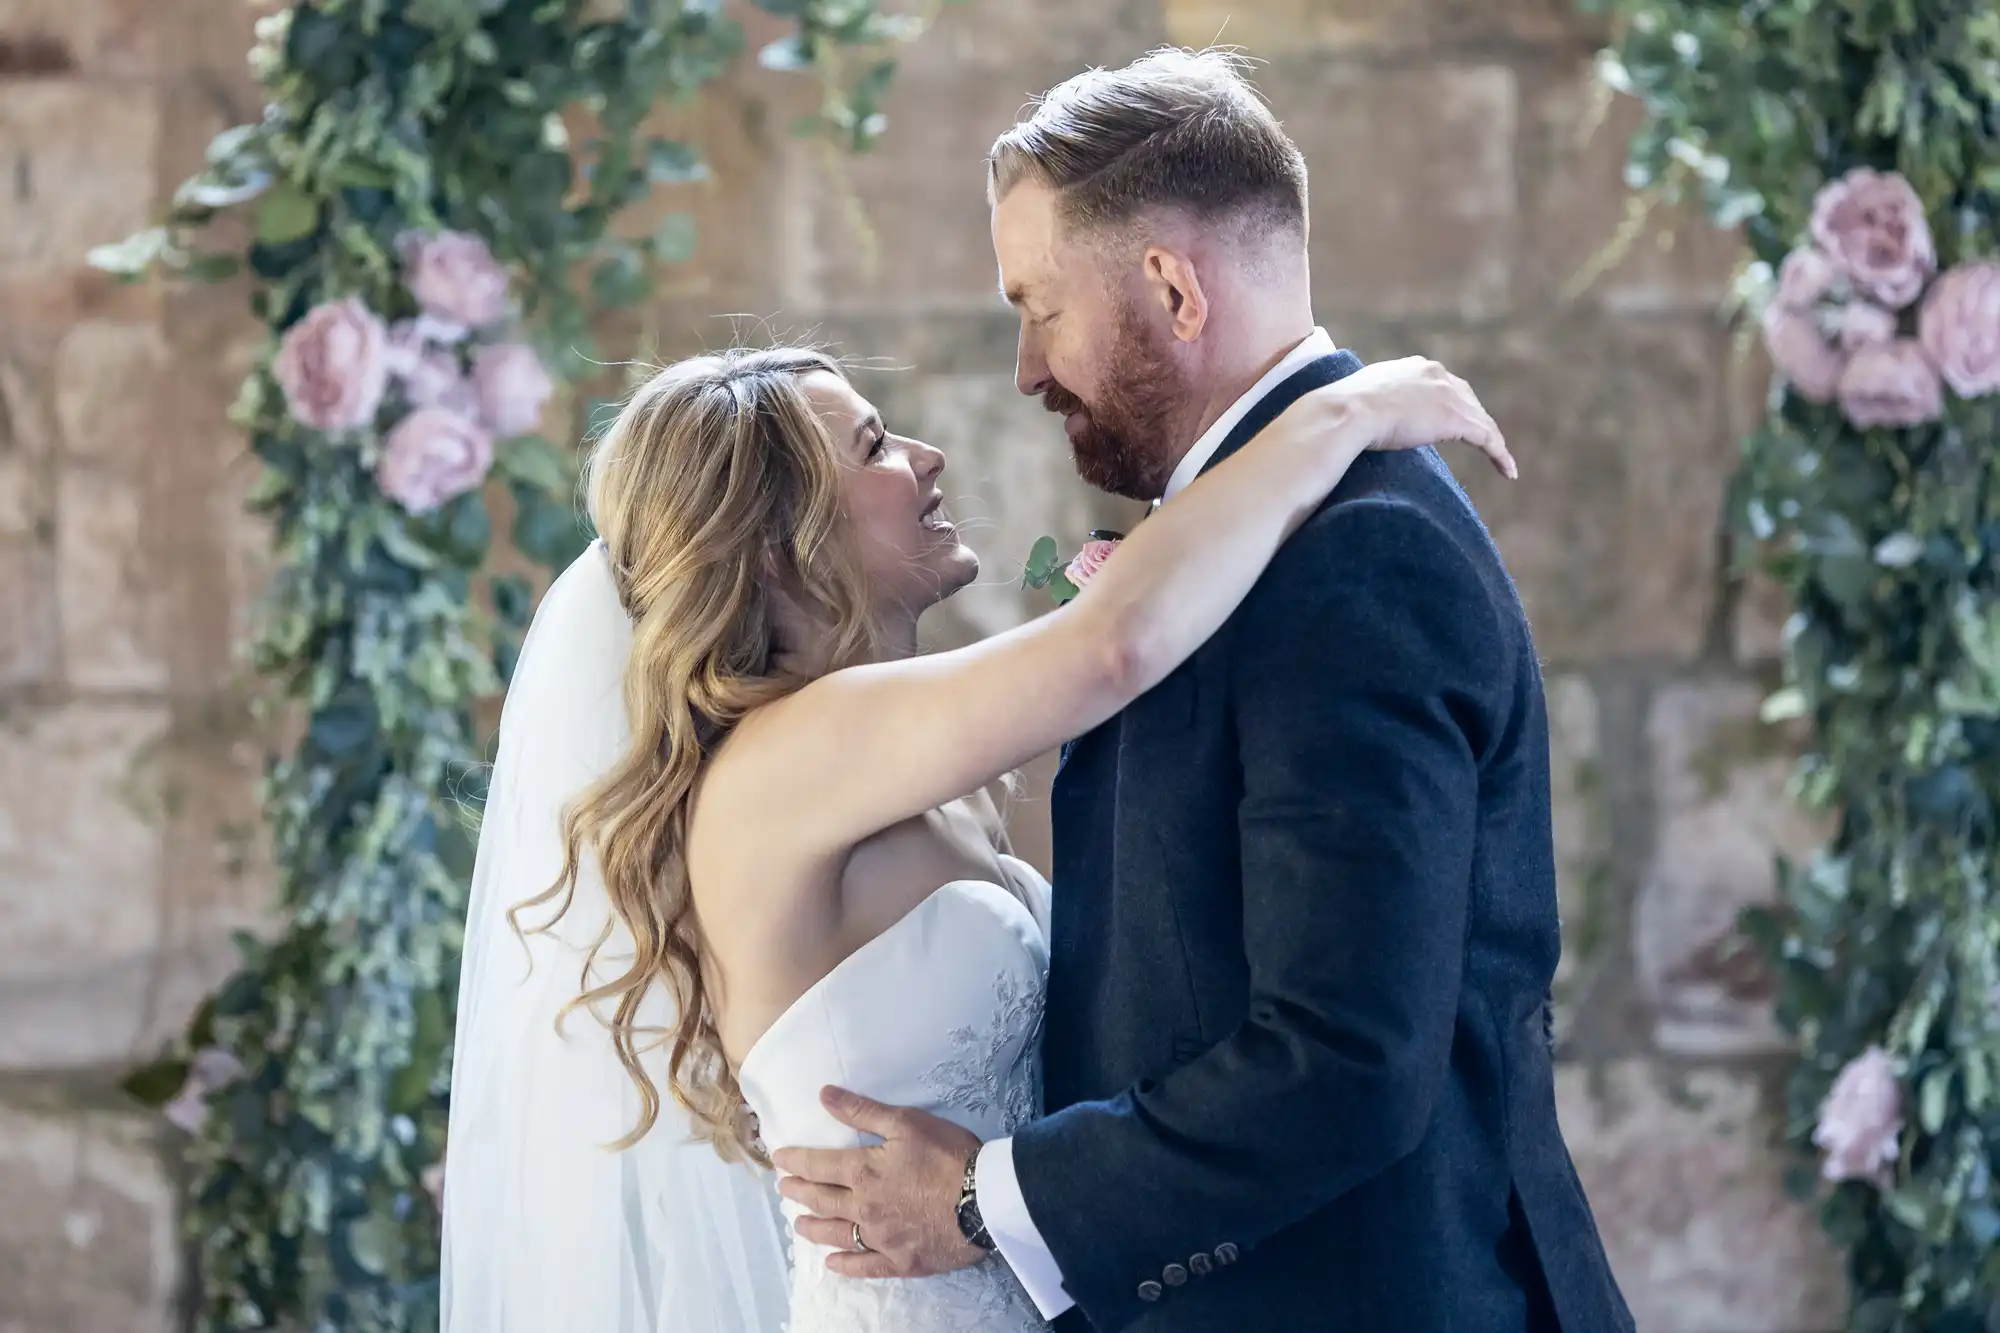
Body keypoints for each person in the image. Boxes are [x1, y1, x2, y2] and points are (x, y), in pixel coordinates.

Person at [772, 47, 1637, 1333]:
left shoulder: (1358, 555)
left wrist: (981, 1201)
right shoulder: (1247, 543)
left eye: (1039, 306)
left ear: (1170, 287)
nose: (1023, 367)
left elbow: (1340, 1059)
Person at [441, 338, 1513, 1332]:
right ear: (777, 548)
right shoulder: (782, 760)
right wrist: (1339, 410)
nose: (924, 455)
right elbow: (1107, 650)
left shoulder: (917, 774)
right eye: (872, 446)